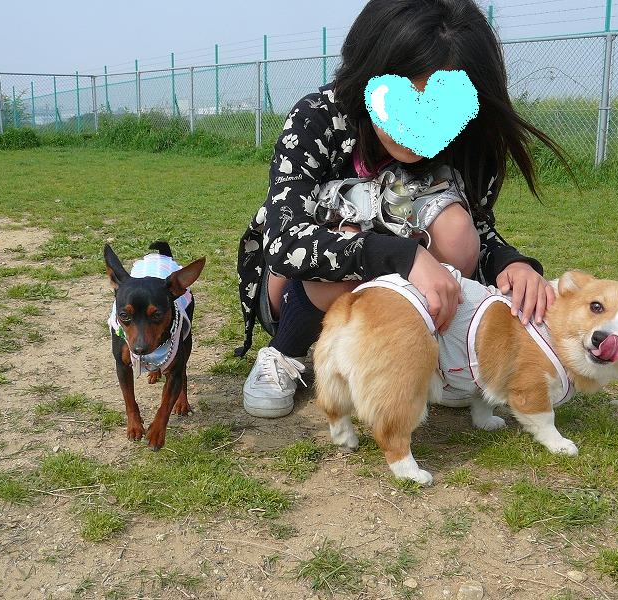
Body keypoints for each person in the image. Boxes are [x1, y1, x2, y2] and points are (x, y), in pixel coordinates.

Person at [236, 0, 565, 418]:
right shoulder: (317, 117)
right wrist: (402, 256)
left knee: (457, 230)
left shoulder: (469, 139)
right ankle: (285, 351)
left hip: (396, 285)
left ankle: (432, 359)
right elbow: (285, 243)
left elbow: (478, 230)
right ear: (368, 75)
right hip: (296, 287)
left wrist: (511, 262)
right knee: (347, 238)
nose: (416, 130)